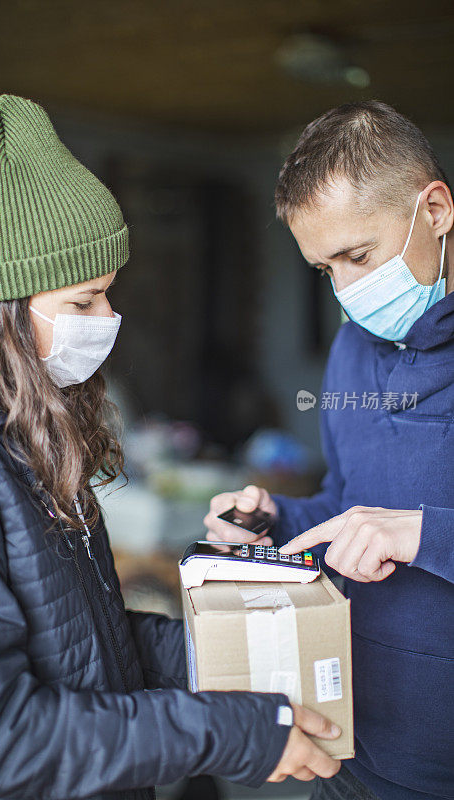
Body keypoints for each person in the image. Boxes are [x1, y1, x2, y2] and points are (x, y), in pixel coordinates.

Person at [0, 93, 342, 800]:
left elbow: (89, 643)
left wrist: (242, 652)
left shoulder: (19, 429)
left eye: (108, 295)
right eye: (83, 303)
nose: (108, 321)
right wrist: (226, 732)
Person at [205, 101, 454, 800]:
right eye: (324, 270)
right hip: (355, 760)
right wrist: (273, 521)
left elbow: (395, 528)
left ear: (433, 209)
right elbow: (347, 506)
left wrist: (423, 533)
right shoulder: (351, 349)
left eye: (357, 256)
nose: (346, 292)